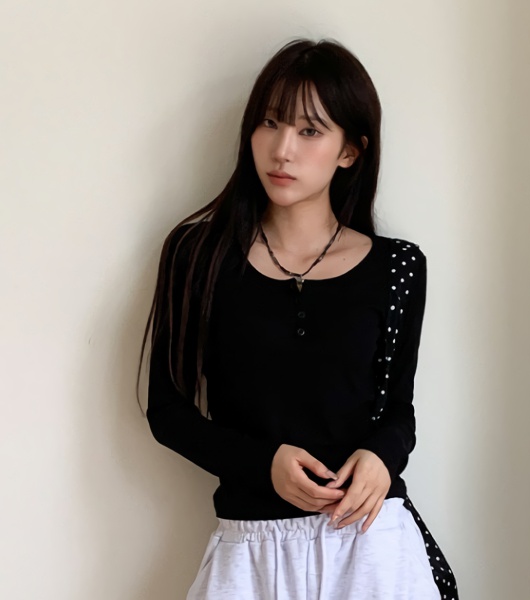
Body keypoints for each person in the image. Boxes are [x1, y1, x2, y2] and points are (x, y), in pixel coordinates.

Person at [137, 38, 458, 600]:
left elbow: (397, 410)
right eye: (269, 123)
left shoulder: (398, 266)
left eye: (310, 130)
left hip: (372, 541)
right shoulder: (197, 255)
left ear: (349, 152)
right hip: (252, 550)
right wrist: (264, 464)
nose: (282, 149)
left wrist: (382, 458)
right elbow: (168, 412)